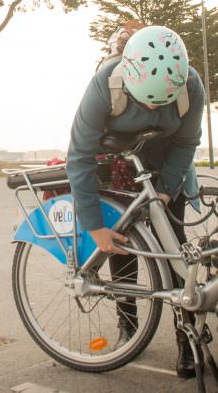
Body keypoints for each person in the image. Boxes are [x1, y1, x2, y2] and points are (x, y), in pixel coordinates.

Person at [65, 25, 204, 378]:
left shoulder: (190, 86)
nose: (150, 108)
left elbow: (187, 142)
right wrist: (95, 226)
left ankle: (185, 336)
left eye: (159, 104)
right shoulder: (104, 84)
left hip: (167, 161)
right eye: (143, 101)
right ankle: (128, 325)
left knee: (174, 245)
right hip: (115, 160)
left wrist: (166, 191)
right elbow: (79, 155)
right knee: (120, 244)